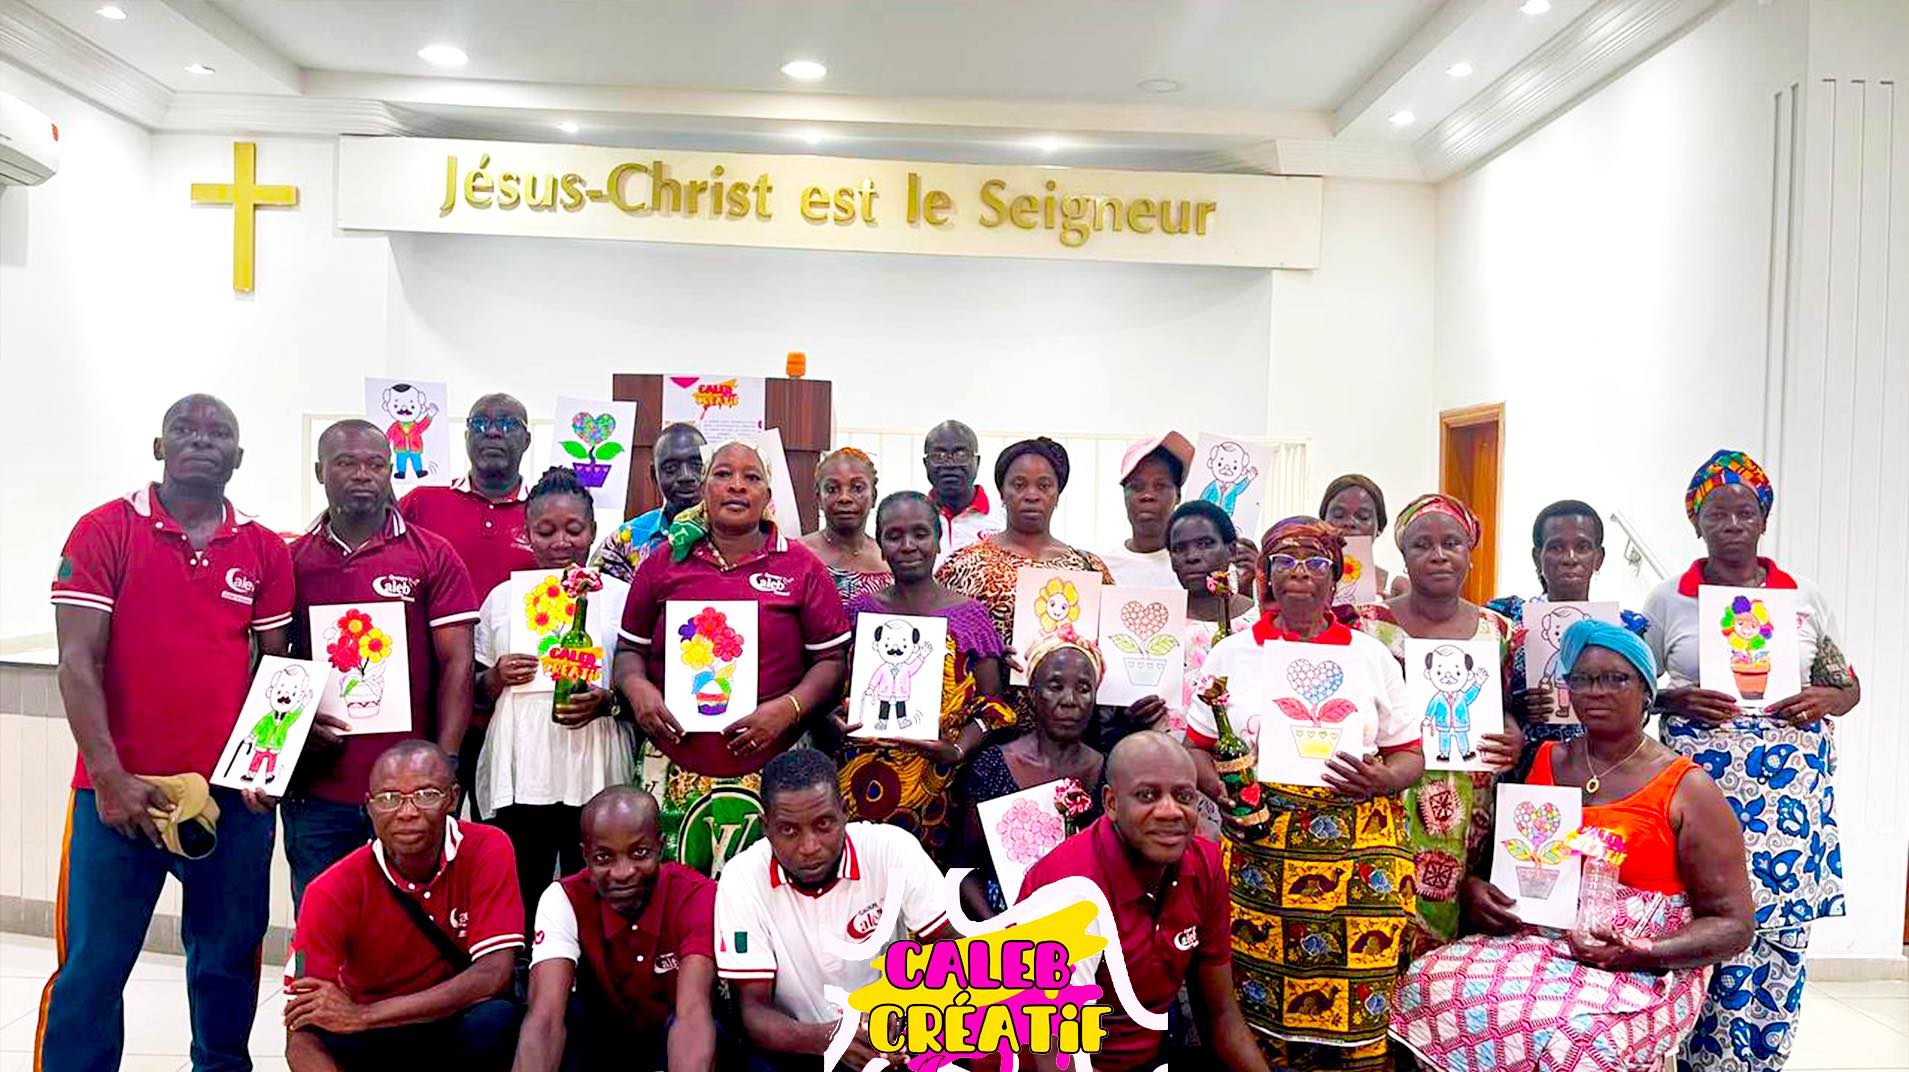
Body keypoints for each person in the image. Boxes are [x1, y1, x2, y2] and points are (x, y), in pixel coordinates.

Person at [37, 395, 300, 1072]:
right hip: (117, 797)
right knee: (92, 970)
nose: (201, 441)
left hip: (227, 803)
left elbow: (278, 671)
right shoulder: (104, 530)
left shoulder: (265, 549)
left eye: (219, 434)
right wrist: (109, 778)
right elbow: (76, 662)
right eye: (185, 429)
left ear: (239, 457)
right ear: (160, 447)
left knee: (226, 964)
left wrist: (264, 772)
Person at [1393, 621, 1755, 1072]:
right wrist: (1475, 889)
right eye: (1582, 679)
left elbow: (1734, 925)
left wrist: (1639, 951)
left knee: (1575, 1037)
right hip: (1537, 942)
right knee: (1426, 982)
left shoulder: (1687, 787)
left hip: (1646, 962)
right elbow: (1499, 863)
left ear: (1646, 692)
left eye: (1615, 679)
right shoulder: (1545, 759)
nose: (1596, 691)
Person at [1645, 450, 1860, 1072]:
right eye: (1717, 512)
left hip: (1788, 807)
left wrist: (1828, 698)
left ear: (1764, 518)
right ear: (1696, 522)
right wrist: (1676, 697)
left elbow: (1847, 685)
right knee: (1702, 925)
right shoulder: (1668, 599)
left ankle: (1761, 1060)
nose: (1733, 523)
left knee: (1777, 943)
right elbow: (1632, 683)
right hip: (1704, 795)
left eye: (1746, 511)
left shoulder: (1804, 597)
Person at [1187, 517, 1423, 1069]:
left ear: (1335, 577)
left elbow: (1410, 754)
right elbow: (1195, 747)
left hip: (1360, 853)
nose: (1300, 573)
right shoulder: (1232, 654)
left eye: (1316, 563)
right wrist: (1222, 792)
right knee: (1255, 987)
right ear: (1265, 575)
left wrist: (1384, 779)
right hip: (1260, 849)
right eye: (1285, 562)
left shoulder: (1370, 655)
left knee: (1363, 985)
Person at [613, 439, 851, 876]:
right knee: (676, 896)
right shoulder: (663, 563)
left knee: (772, 894)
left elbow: (832, 661)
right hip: (674, 762)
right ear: (704, 489)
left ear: (767, 495)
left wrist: (789, 708)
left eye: (751, 477)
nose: (737, 485)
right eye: (723, 474)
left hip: (774, 766)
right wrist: (639, 690)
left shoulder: (801, 566)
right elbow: (630, 650)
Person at [285, 419, 481, 910]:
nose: (361, 474)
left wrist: (445, 763)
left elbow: (457, 664)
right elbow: (269, 661)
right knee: (322, 921)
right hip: (318, 790)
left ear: (390, 471)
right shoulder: (290, 560)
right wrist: (293, 728)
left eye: (375, 464)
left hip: (411, 792)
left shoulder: (432, 554)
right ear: (319, 471)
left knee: (415, 925)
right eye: (345, 462)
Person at [1019, 732, 1271, 1072]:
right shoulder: (1068, 890)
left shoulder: (1205, 863)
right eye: (1147, 795)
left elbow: (1221, 1017)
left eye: (1184, 796)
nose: (1170, 811)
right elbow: (1054, 1058)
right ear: (1111, 804)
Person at [284, 741, 522, 1070]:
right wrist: (357, 1020)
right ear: (369, 807)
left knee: (497, 1020)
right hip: (376, 1037)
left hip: (450, 1018)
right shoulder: (329, 890)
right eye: (388, 798)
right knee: (323, 1032)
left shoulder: (487, 847)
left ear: (453, 798)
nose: (407, 812)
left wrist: (364, 1015)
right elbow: (300, 1036)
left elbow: (494, 974)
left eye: (426, 795)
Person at [1351, 492, 1521, 949]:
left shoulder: (1499, 631)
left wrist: (1513, 732)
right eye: (1422, 545)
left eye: (1452, 543)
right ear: (1403, 554)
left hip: (1469, 798)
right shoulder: (1365, 624)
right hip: (1389, 792)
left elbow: (1507, 704)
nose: (1438, 555)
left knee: (1454, 919)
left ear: (1470, 552)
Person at [716, 749, 955, 1070]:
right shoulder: (742, 878)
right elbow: (753, 1012)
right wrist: (830, 1039)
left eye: (824, 824)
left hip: (897, 1034)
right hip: (800, 1049)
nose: (809, 846)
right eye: (788, 830)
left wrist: (913, 1013)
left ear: (844, 812)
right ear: (765, 827)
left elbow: (955, 950)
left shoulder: (891, 850)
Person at [472, 466, 634, 931]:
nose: (561, 542)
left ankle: (592, 970)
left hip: (593, 758)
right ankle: (525, 968)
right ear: (527, 535)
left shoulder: (622, 598)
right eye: (545, 531)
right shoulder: (503, 599)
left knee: (596, 885)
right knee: (524, 884)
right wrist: (496, 676)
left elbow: (640, 680)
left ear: (593, 530)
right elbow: (475, 689)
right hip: (523, 764)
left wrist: (607, 700)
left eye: (573, 529)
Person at [838, 490, 1015, 859]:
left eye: (920, 533)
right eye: (894, 535)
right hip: (859, 782)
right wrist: (834, 718)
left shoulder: (970, 617)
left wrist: (957, 749)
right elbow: (831, 691)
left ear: (938, 541)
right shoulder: (858, 613)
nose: (908, 545)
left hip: (941, 785)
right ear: (880, 544)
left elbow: (993, 708)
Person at [514, 786, 717, 1072]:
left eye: (640, 853)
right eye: (603, 858)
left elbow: (693, 1013)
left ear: (661, 846)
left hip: (674, 1039)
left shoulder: (695, 894)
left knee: (716, 1031)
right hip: (599, 1043)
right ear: (585, 855)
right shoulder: (563, 898)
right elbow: (546, 1017)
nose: (623, 873)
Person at [1485, 499, 1652, 775]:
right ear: (1537, 557)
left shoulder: (1626, 629)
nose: (1570, 558)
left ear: (1598, 558)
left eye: (1583, 547)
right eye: (1556, 547)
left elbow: (1641, 704)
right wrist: (1513, 707)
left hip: (1603, 766)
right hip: (1524, 766)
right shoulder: (1506, 619)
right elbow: (1478, 689)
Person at [957, 628, 1107, 919]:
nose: (1070, 700)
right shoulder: (992, 766)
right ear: (1033, 694)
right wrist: (999, 929)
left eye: (1083, 688)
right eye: (1055, 686)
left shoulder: (1109, 772)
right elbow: (962, 869)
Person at [397, 393, 537, 601]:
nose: (492, 432)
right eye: (479, 423)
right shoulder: (422, 500)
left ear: (527, 440)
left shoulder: (545, 510)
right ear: (466, 437)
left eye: (508, 424)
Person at [1167, 500, 1260, 742]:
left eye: (1205, 544)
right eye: (1179, 548)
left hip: (1246, 756)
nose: (1192, 557)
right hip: (1170, 755)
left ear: (1232, 550)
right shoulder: (1159, 624)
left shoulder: (1259, 622)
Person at [594, 422, 708, 583]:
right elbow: (598, 594)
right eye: (671, 468)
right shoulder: (625, 540)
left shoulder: (736, 534)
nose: (686, 476)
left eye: (697, 465)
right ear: (654, 475)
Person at [1101, 432, 1195, 588]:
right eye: (1136, 487)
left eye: (1160, 486)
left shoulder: (1195, 569)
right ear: (1124, 495)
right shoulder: (1102, 571)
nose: (1148, 495)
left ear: (1178, 495)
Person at [798, 447, 893, 603]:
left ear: (874, 497)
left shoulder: (891, 559)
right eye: (832, 489)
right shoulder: (796, 556)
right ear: (819, 498)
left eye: (857, 488)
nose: (844, 498)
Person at [922, 419, 1004, 567]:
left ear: (977, 462)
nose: (950, 464)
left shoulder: (1004, 516)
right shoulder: (915, 518)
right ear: (925, 464)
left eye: (961, 454)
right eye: (939, 456)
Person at [1320, 473, 1403, 598]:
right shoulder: (1303, 578)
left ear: (1379, 529)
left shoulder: (1395, 589)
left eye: (1363, 517)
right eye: (1338, 515)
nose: (1349, 523)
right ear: (1322, 523)